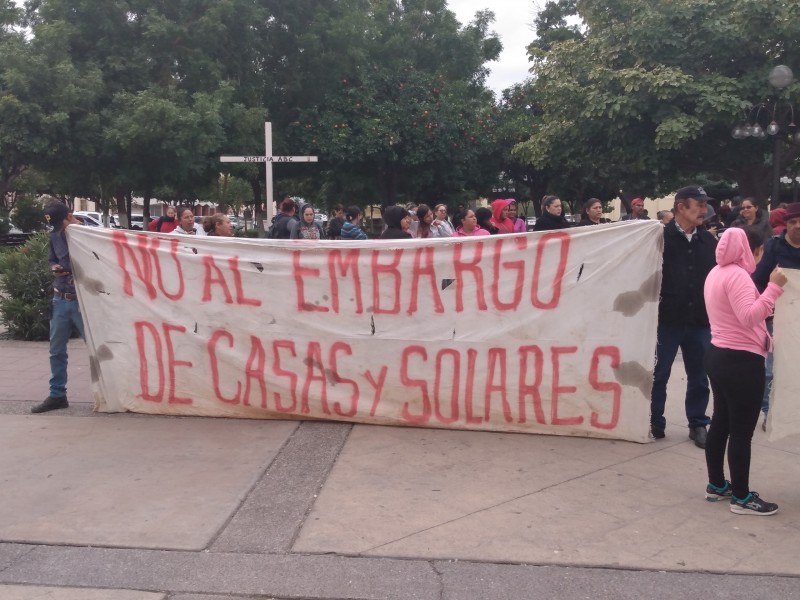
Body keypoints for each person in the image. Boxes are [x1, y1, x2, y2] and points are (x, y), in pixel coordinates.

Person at [703, 227, 786, 515]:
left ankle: (717, 485)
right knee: (741, 432)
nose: (760, 256)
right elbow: (749, 316)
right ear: (750, 250)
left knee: (721, 423)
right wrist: (773, 288)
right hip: (741, 361)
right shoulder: (737, 275)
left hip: (719, 355)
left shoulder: (716, 272)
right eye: (759, 251)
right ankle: (741, 496)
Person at [650, 185, 717, 447]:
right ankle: (655, 420)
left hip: (700, 319)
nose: (704, 210)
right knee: (659, 372)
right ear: (681, 207)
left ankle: (698, 423)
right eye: (698, 204)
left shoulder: (708, 241)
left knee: (699, 374)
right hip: (667, 319)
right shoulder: (659, 238)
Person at [32, 202, 86, 413]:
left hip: (83, 300)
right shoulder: (55, 235)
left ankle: (109, 390)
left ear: (69, 216)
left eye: (59, 223)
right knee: (56, 351)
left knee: (96, 348)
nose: (57, 228)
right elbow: (51, 258)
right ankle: (57, 395)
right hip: (61, 298)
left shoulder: (85, 234)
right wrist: (54, 267)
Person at [751, 202, 800, 429]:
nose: (797, 226)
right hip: (777, 319)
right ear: (786, 224)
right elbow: (759, 281)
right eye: (792, 222)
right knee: (772, 369)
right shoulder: (774, 247)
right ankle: (769, 412)